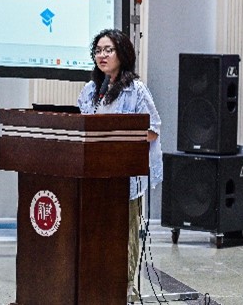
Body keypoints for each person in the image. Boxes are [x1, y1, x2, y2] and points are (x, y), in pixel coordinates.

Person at [76, 28, 163, 300]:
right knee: (94, 232)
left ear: (122, 54)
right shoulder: (91, 90)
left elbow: (153, 129)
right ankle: (95, 284)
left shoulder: (136, 90)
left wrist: (119, 136)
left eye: (108, 50)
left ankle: (124, 289)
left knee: (124, 234)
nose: (102, 55)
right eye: (98, 51)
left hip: (124, 177)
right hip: (94, 175)